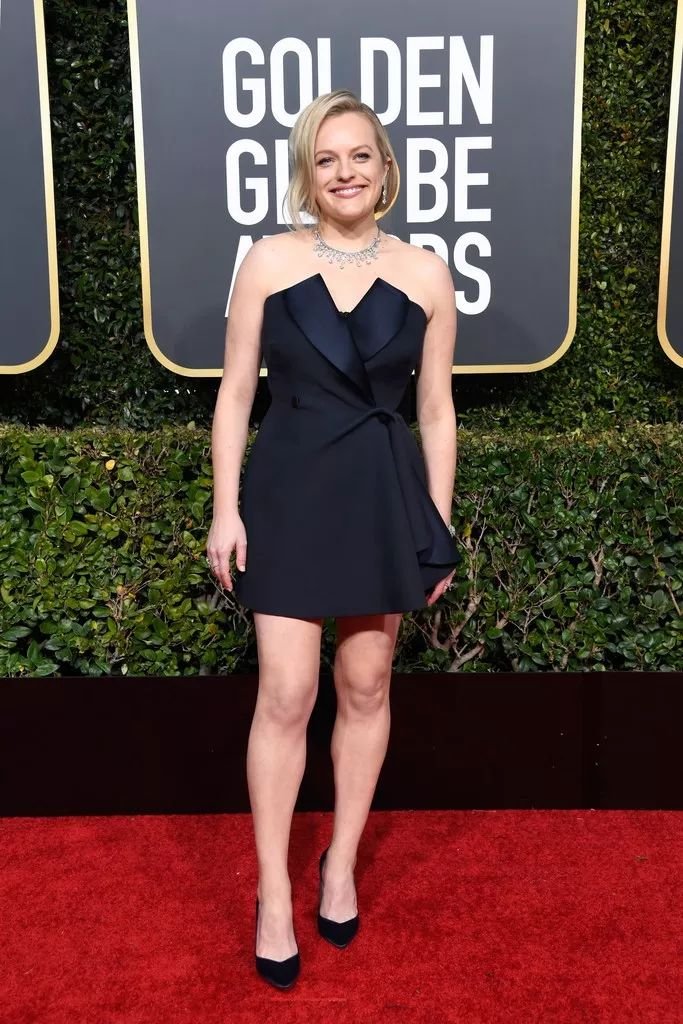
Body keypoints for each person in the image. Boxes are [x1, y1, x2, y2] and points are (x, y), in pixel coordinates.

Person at [207, 89, 461, 990]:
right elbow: (236, 393)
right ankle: (274, 895)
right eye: (325, 158)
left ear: (385, 168)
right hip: (289, 491)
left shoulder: (425, 273)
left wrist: (434, 523)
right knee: (286, 691)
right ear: (305, 175)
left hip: (379, 496)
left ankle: (340, 862)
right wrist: (225, 509)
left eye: (358, 155)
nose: (343, 172)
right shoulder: (268, 261)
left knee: (365, 684)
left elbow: (436, 410)